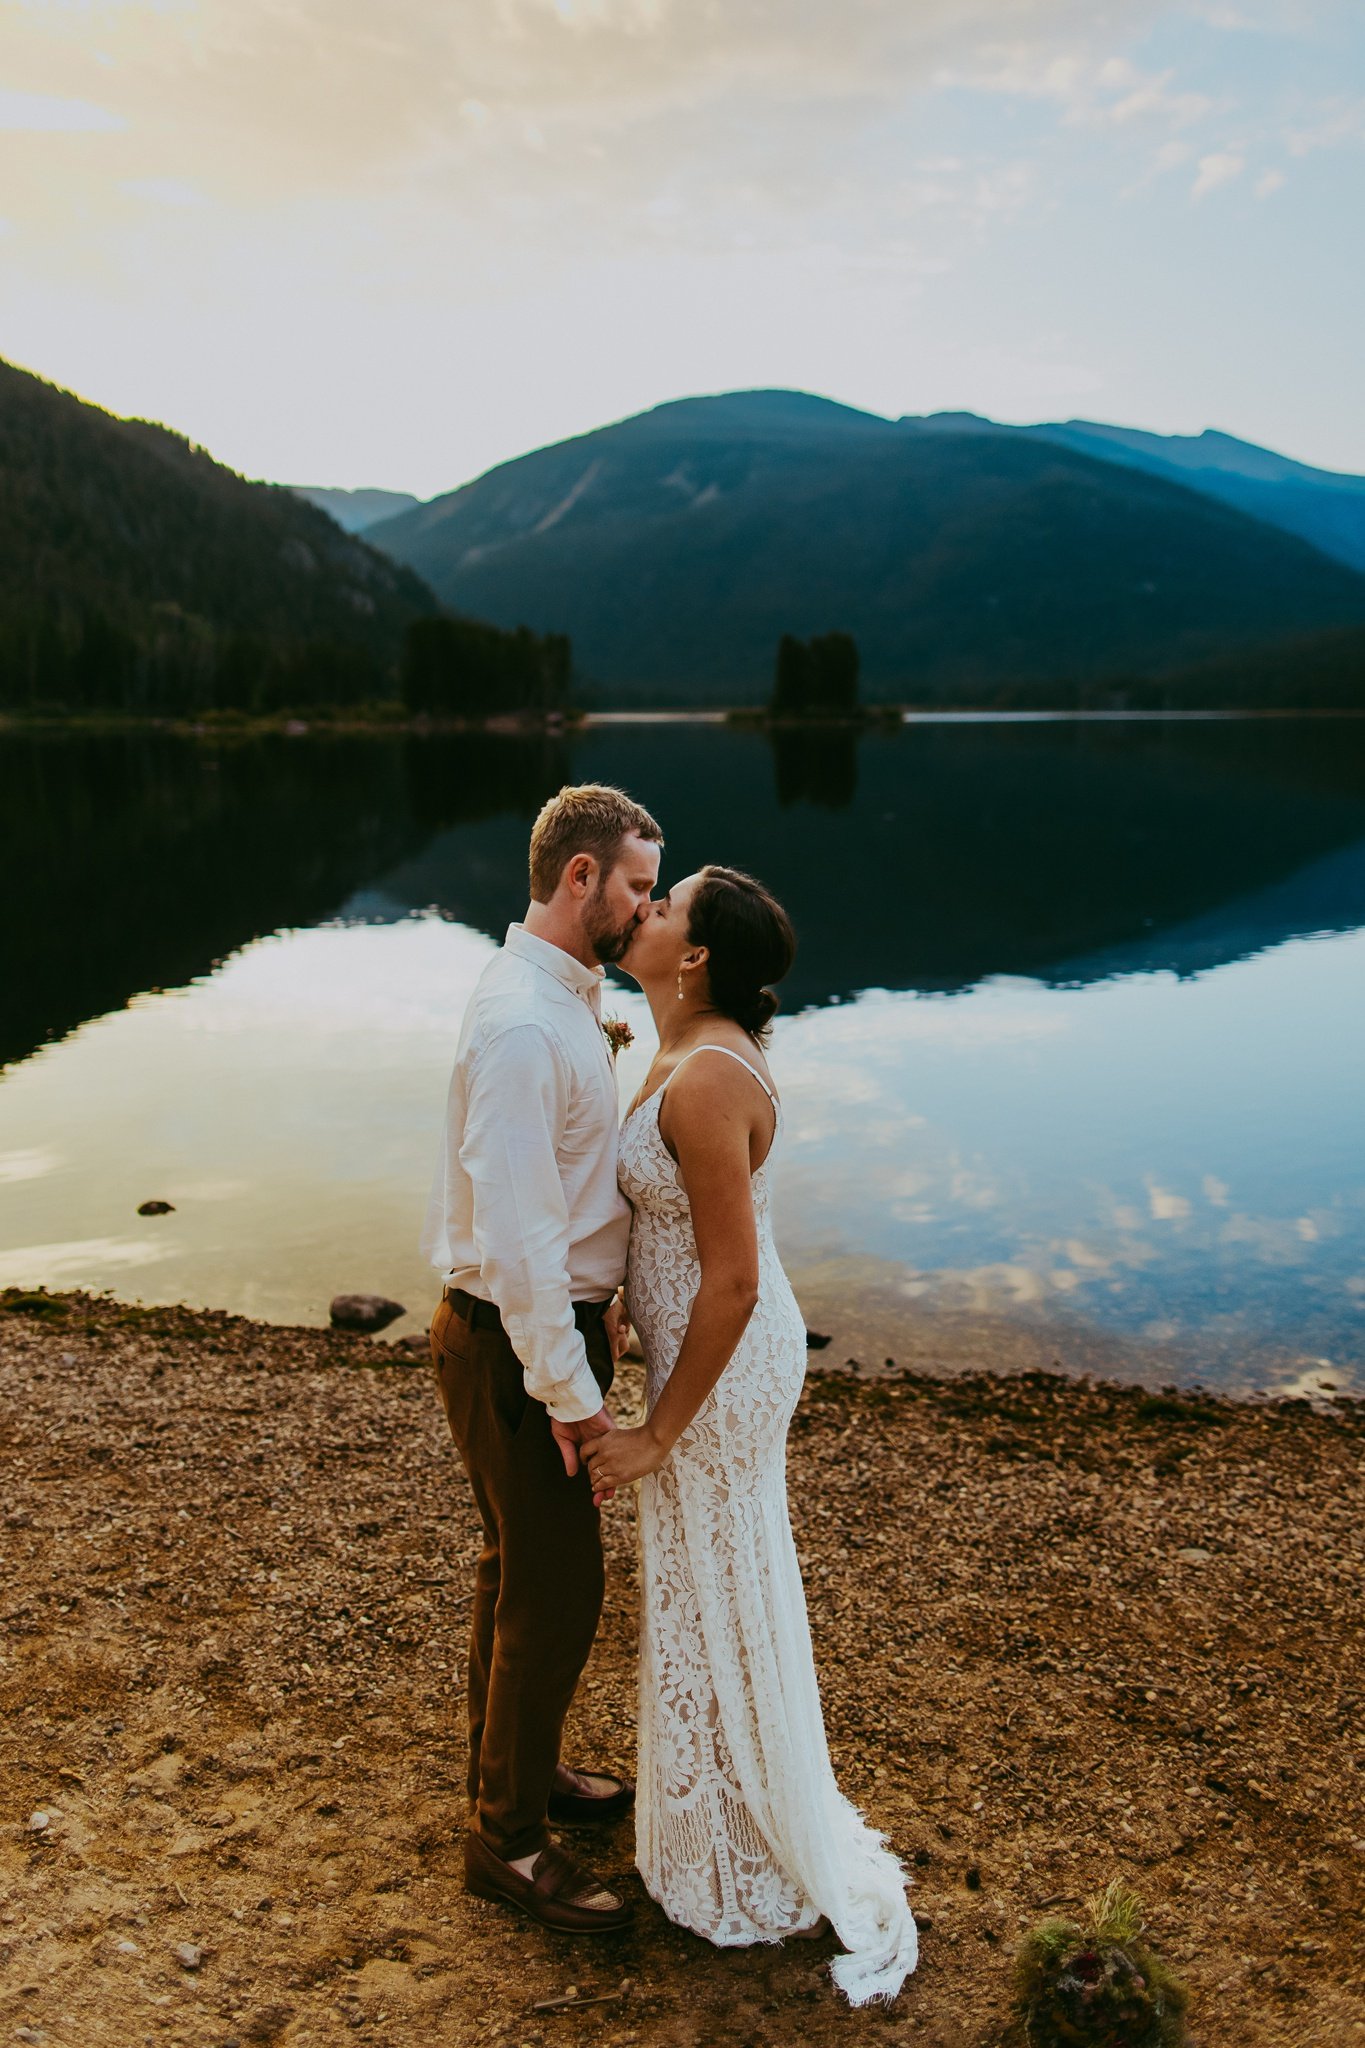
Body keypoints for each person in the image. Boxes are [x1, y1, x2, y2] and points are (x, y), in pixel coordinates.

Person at [582, 866, 918, 2004]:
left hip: (721, 1374)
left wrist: (655, 1433)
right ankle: (711, 1824)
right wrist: (624, 1293)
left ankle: (746, 1850)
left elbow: (728, 1282)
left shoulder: (710, 1076)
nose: (649, 909)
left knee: (719, 1576)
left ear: (696, 957)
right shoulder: (681, 1046)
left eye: (666, 904)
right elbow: (674, 1236)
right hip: (692, 1355)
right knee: (701, 1584)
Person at [422, 783, 663, 1934]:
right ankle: (507, 1844)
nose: (644, 907)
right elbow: (519, 1242)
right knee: (558, 1592)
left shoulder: (564, 996)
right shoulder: (524, 1021)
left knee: (514, 1570)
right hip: (516, 1343)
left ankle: (514, 1773)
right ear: (580, 879)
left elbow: (555, 1203)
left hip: (527, 1335)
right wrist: (570, 1395)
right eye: (634, 886)